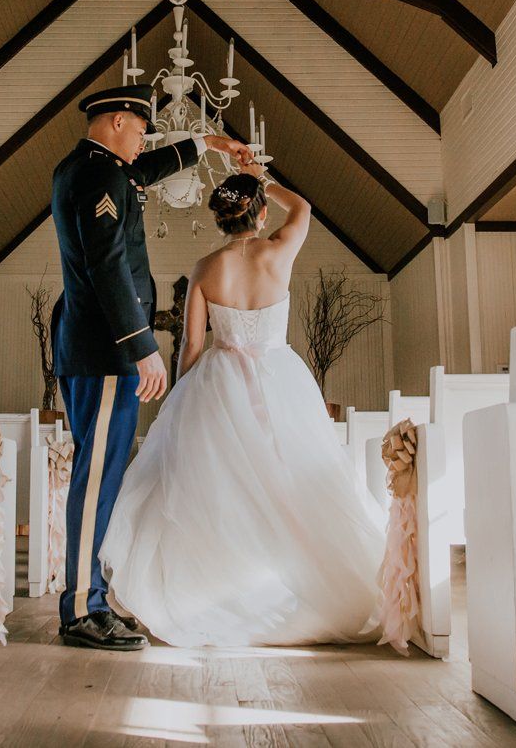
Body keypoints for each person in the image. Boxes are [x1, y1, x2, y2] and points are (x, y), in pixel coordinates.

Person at [101, 157, 386, 647]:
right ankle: (291, 585)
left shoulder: (206, 268)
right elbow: (304, 207)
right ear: (259, 215)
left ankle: (219, 589)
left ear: (218, 220)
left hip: (218, 382)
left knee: (216, 489)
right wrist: (262, 179)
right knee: (291, 480)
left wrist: (182, 399)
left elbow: (191, 346)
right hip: (282, 381)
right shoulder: (279, 250)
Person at [48, 84, 251, 651]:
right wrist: (142, 347)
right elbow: (108, 263)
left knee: (102, 474)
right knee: (97, 480)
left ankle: (90, 599)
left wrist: (208, 143)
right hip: (106, 348)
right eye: (139, 130)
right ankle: (81, 609)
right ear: (116, 122)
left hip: (90, 343)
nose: (143, 142)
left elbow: (152, 167)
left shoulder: (96, 168)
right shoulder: (99, 176)